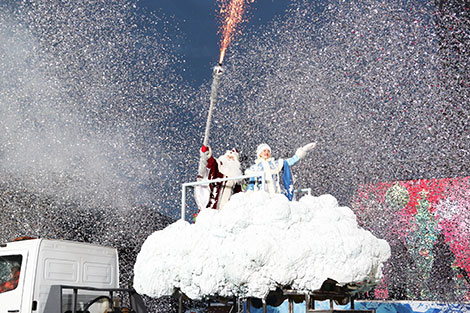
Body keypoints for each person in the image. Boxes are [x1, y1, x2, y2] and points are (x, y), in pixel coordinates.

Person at [245, 142, 316, 200]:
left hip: (276, 195)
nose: (266, 152)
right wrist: (249, 192)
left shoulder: (275, 164)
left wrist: (303, 150)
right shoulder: (255, 168)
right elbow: (252, 183)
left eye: (268, 151)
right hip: (262, 197)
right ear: (259, 153)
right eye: (264, 150)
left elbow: (289, 162)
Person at [195, 145, 243, 211]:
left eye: (232, 158)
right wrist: (206, 152)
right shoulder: (218, 165)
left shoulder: (236, 178)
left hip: (226, 209)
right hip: (212, 203)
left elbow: (238, 195)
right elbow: (210, 162)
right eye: (228, 156)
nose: (229, 158)